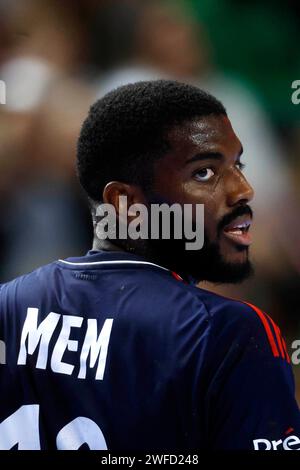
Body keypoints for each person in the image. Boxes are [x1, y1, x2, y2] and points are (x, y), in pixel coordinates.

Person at [0, 80, 299, 451]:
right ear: (125, 202)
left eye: (238, 165)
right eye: (204, 172)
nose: (244, 189)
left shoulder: (7, 305)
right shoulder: (228, 334)